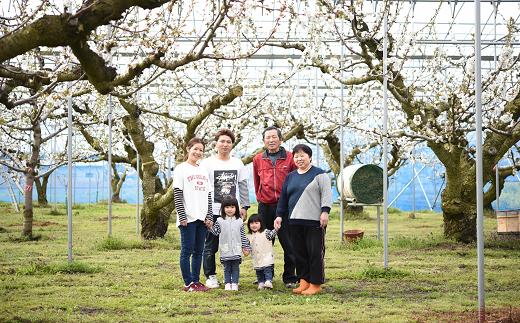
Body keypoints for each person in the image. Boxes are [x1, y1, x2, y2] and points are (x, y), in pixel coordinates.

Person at [274, 144, 332, 295]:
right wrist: (279, 215)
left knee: (314, 252)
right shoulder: (290, 176)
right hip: (294, 221)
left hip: (314, 221)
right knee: (298, 252)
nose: (299, 158)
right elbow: (283, 198)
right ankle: (304, 281)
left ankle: (316, 283)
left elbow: (326, 195)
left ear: (310, 157)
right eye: (296, 156)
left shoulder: (320, 174)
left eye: (302, 155)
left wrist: (325, 212)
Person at [200, 128, 250, 289]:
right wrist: (205, 212)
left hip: (232, 212)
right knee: (210, 245)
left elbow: (243, 186)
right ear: (216, 144)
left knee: (233, 243)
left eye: (228, 142)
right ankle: (211, 275)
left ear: (232, 145)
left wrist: (244, 206)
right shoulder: (207, 163)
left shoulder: (237, 163)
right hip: (213, 211)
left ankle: (232, 275)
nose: (225, 144)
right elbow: (202, 188)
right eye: (222, 141)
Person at [252, 126, 298, 288]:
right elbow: (256, 182)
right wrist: (260, 198)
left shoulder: (290, 158)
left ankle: (290, 277)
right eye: (267, 138)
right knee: (263, 242)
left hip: (285, 207)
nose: (271, 140)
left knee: (289, 243)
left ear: (281, 139)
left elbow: (295, 181)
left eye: (274, 137)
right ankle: (265, 276)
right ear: (263, 141)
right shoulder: (258, 159)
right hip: (265, 206)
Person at [173, 137, 213, 292]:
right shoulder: (181, 169)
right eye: (195, 148)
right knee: (187, 251)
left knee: (199, 251)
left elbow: (209, 195)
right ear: (188, 149)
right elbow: (177, 193)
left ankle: (196, 281)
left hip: (202, 218)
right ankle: (188, 283)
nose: (198, 152)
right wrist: (182, 215)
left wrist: (209, 216)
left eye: (201, 150)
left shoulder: (202, 170)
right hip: (188, 218)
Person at [208, 195, 251, 291]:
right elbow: (215, 232)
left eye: (232, 207)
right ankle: (227, 283)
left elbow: (243, 236)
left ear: (236, 208)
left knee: (235, 267)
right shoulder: (219, 221)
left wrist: (245, 246)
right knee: (227, 267)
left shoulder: (239, 221)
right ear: (223, 209)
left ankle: (235, 283)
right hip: (225, 249)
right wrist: (210, 227)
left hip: (236, 249)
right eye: (227, 207)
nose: (229, 209)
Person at [247, 214, 277, 290]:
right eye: (252, 223)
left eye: (256, 223)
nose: (254, 225)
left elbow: (271, 235)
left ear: (261, 223)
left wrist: (276, 229)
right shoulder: (250, 235)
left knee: (267, 270)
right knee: (259, 271)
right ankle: (261, 282)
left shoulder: (265, 232)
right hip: (256, 258)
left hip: (266, 256)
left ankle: (268, 281)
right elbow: (247, 246)